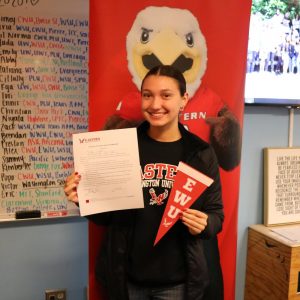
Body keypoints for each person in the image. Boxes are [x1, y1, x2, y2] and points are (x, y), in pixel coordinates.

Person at [64, 65, 224, 300]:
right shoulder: (119, 147)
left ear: (183, 99)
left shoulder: (200, 153)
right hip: (128, 280)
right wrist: (84, 199)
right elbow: (107, 218)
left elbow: (216, 215)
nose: (155, 104)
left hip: (178, 283)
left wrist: (205, 223)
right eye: (147, 95)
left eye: (166, 95)